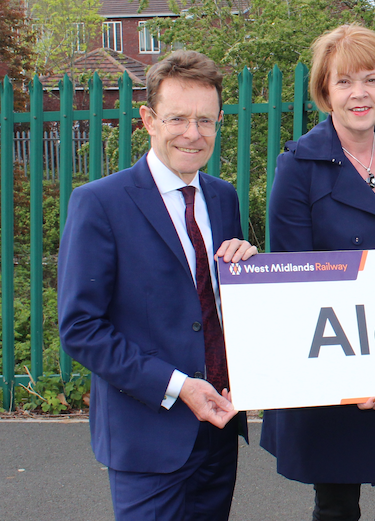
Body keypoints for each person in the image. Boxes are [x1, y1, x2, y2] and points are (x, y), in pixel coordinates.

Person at [58, 50, 258, 520]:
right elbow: (81, 328)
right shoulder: (100, 204)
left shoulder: (223, 198)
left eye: (206, 121)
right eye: (178, 118)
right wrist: (178, 386)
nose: (193, 133)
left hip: (219, 431)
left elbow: (212, 306)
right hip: (147, 436)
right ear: (149, 119)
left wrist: (249, 272)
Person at [260, 25, 375, 521]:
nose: (359, 93)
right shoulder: (298, 166)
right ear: (325, 92)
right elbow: (292, 282)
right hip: (335, 362)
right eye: (344, 82)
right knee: (337, 507)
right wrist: (353, 374)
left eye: (370, 79)